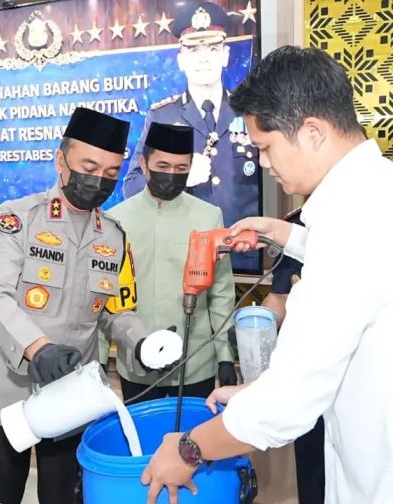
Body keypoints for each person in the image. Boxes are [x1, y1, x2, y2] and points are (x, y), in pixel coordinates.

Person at [140, 45, 393, 504]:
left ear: (312, 132)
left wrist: (190, 448)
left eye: (266, 147)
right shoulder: (377, 193)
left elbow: (289, 402)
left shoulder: (351, 224)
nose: (264, 163)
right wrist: (284, 235)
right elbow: (363, 276)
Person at [0, 108, 180, 504]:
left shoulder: (113, 236)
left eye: (111, 172)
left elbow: (115, 310)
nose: (99, 180)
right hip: (4, 394)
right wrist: (38, 347)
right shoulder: (17, 220)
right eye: (89, 167)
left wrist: (142, 343)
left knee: (66, 496)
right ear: (60, 161)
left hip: (72, 398)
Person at [122, 2, 261, 272]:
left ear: (225, 55)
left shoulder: (251, 112)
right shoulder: (162, 116)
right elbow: (132, 186)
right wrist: (179, 178)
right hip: (183, 258)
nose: (203, 59)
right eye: (193, 50)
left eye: (212, 49)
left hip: (244, 257)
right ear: (181, 60)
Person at [103, 121, 236, 403]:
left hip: (195, 364)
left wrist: (225, 355)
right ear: (144, 164)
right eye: (163, 166)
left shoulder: (208, 216)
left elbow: (221, 293)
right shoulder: (116, 220)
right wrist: (100, 359)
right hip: (137, 362)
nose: (172, 175)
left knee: (195, 432)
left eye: (181, 168)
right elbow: (105, 296)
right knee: (142, 432)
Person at [262, 207, 325, 504]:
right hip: (310, 379)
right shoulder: (300, 223)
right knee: (313, 473)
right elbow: (280, 297)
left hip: (367, 386)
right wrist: (257, 325)